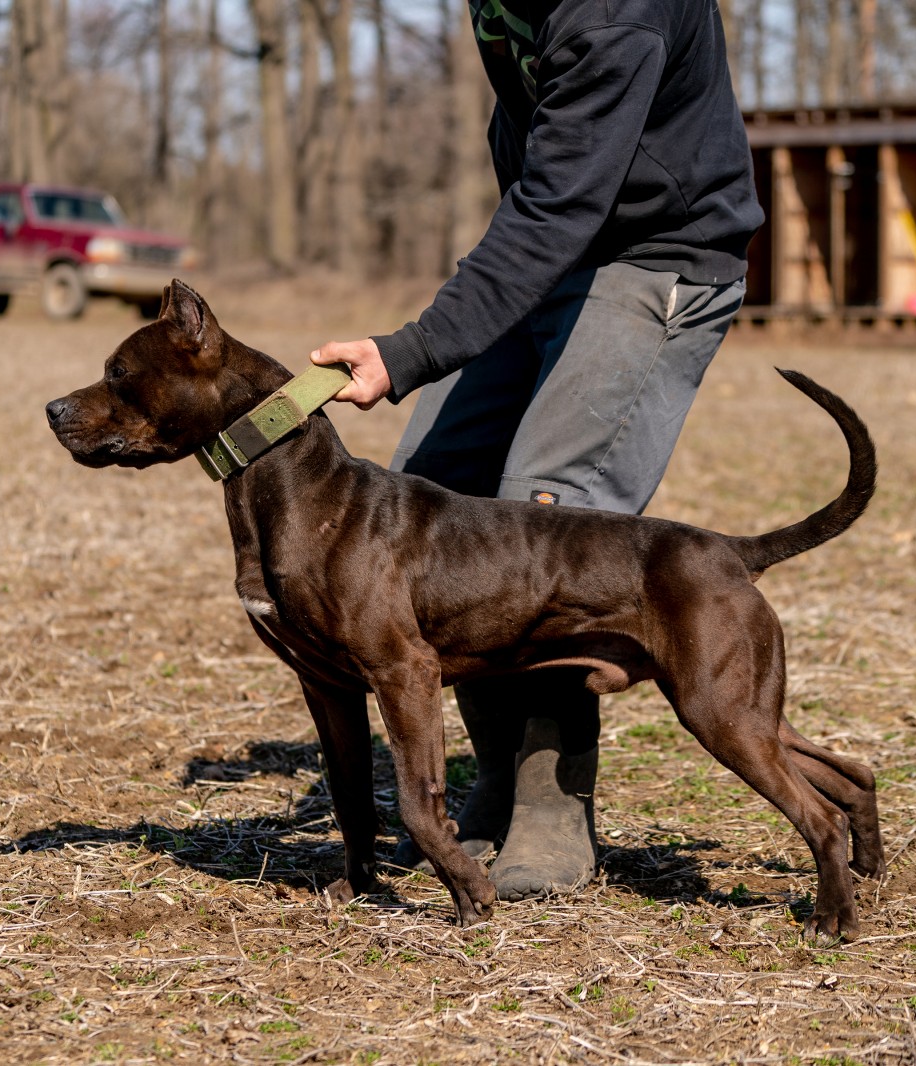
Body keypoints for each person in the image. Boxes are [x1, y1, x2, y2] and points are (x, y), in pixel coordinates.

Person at [309, 0, 763, 901]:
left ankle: (553, 807)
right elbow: (543, 179)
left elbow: (561, 200)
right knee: (433, 496)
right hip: (560, 248)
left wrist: (410, 351)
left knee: (542, 513)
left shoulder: (613, 13)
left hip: (660, 252)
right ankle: (494, 775)